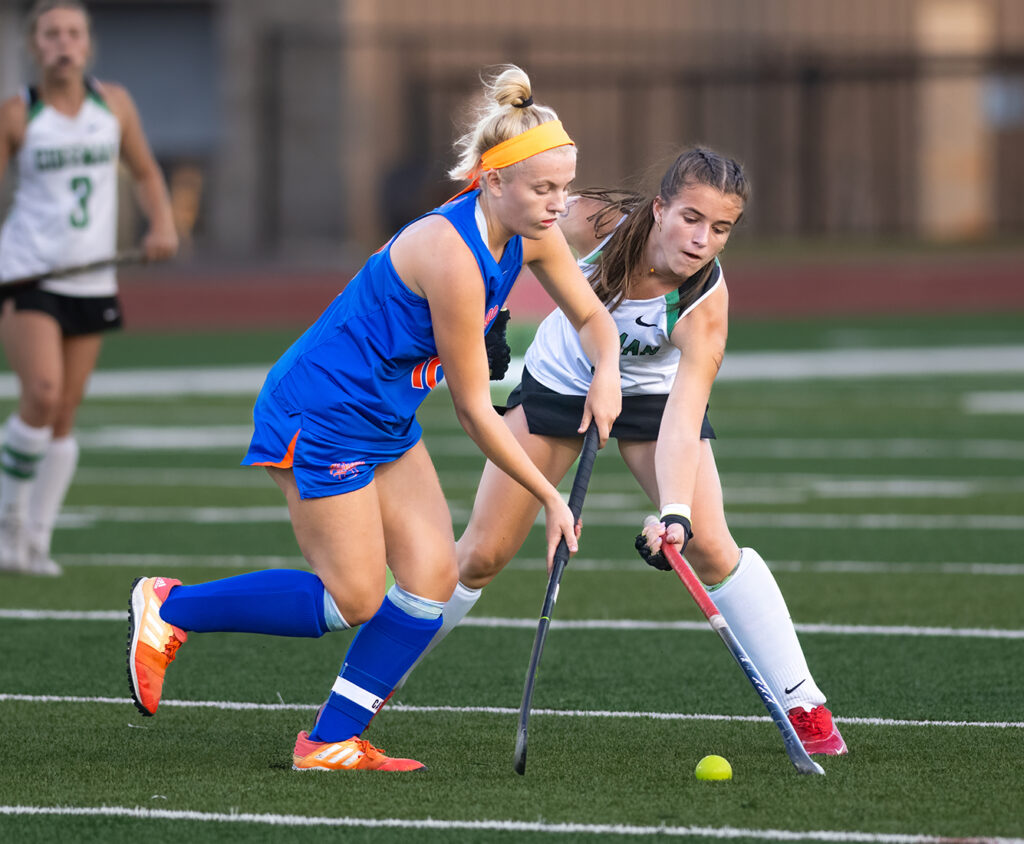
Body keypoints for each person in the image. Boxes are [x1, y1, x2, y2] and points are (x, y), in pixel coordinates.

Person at [125, 65, 622, 773]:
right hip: (321, 411)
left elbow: (593, 317)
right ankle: (171, 608)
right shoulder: (452, 257)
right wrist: (547, 497)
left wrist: (606, 371)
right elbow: (476, 410)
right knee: (353, 596)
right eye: (543, 189)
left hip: (382, 416)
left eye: (564, 188)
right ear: (492, 181)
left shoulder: (531, 233)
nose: (557, 205)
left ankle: (328, 740)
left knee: (430, 579)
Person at [403, 147, 848, 756]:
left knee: (711, 543)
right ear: (660, 208)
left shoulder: (703, 310)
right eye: (691, 218)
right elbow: (489, 233)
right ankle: (375, 680)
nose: (701, 240)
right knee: (479, 556)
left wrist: (674, 514)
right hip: (559, 387)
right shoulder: (594, 223)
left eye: (720, 229)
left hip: (652, 404)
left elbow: (683, 419)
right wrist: (491, 313)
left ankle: (805, 706)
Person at [0, 0, 178, 576]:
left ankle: (35, 540)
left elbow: (147, 172)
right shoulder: (16, 114)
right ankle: (7, 523)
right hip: (30, 274)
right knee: (43, 392)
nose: (63, 43)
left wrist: (163, 222)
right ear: (36, 46)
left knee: (65, 412)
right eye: (51, 34)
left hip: (91, 277)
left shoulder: (114, 105)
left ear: (88, 44)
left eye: (73, 32)